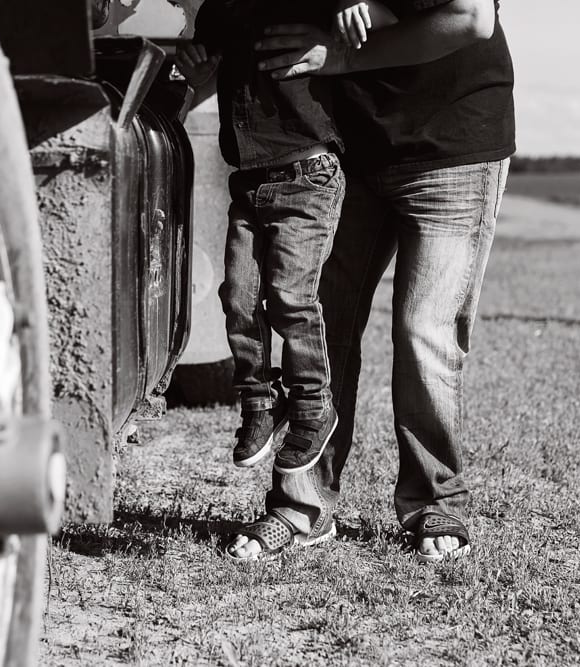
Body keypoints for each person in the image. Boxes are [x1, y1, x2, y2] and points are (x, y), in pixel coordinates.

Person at [225, 0, 515, 562]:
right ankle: (301, 505)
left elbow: (472, 17)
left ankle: (434, 501)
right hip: (342, 151)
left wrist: (335, 57)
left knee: (423, 332)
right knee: (318, 322)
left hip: (452, 144)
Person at [176, 0, 350, 532]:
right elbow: (206, 78)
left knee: (292, 300)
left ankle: (313, 408)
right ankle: (258, 402)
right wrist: (197, 71)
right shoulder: (216, 13)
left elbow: (360, 32)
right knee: (237, 298)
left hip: (308, 174)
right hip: (249, 182)